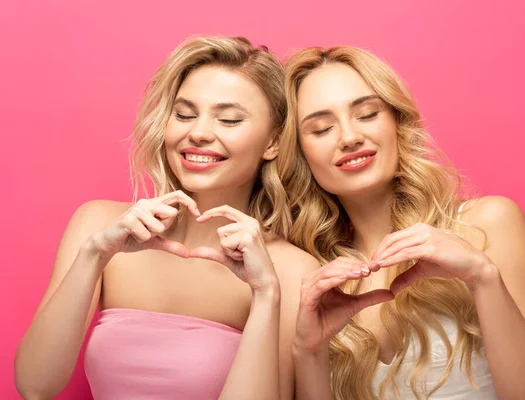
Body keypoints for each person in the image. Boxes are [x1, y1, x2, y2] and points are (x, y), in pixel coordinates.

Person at [15, 36, 316, 400]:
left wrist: (266, 294)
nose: (198, 133)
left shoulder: (289, 270)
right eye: (184, 114)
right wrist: (94, 254)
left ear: (274, 143)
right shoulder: (97, 224)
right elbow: (35, 386)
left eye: (229, 119)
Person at [279, 46, 525, 399]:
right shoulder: (313, 281)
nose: (349, 137)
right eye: (321, 129)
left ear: (397, 123)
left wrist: (482, 276)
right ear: (300, 154)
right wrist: (308, 352)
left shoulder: (487, 225)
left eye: (367, 114)